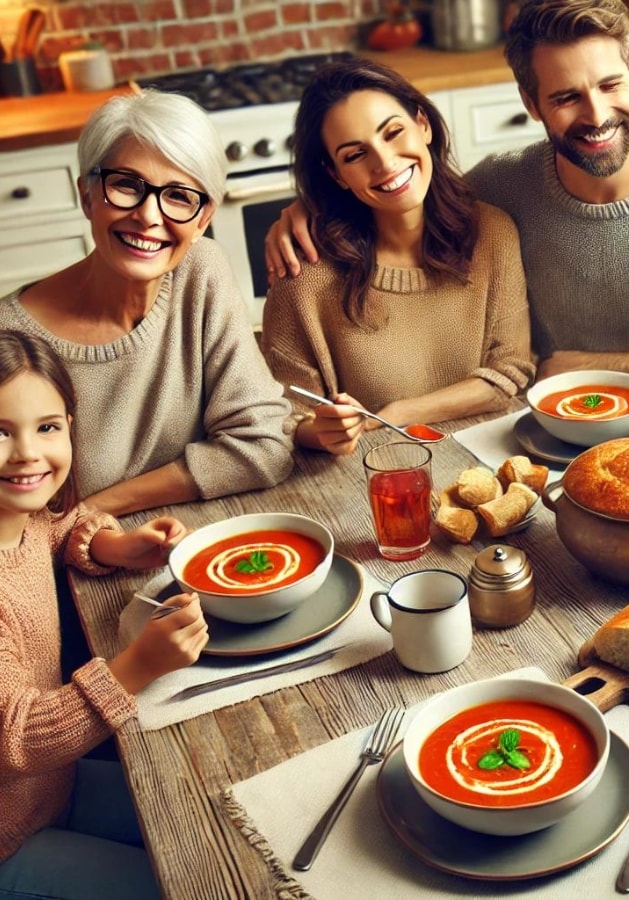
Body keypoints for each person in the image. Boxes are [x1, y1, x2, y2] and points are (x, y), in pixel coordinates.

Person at [264, 0, 629, 419]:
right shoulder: (501, 185)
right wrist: (311, 207)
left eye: (610, 84)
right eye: (566, 97)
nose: (598, 115)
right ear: (531, 103)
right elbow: (404, 189)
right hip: (551, 426)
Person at [0, 91, 292, 517]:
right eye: (126, 185)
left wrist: (99, 506)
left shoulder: (201, 271)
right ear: (87, 195)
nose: (149, 216)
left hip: (196, 538)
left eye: (178, 196)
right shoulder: (10, 339)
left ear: (203, 219)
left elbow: (264, 445)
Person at [0, 330, 208, 900]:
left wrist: (111, 544)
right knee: (187, 884)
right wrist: (136, 666)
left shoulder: (20, 515)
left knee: (199, 816)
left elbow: (55, 528)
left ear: (69, 423)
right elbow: (15, 737)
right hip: (7, 840)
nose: (26, 453)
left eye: (46, 427)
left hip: (49, 789)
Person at [261, 60, 534, 456]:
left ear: (422, 124)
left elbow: (510, 372)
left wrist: (396, 412)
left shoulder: (492, 233)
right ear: (336, 174)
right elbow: (285, 416)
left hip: (489, 462)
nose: (385, 163)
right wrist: (320, 430)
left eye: (393, 133)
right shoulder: (304, 273)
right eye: (355, 155)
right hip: (370, 478)